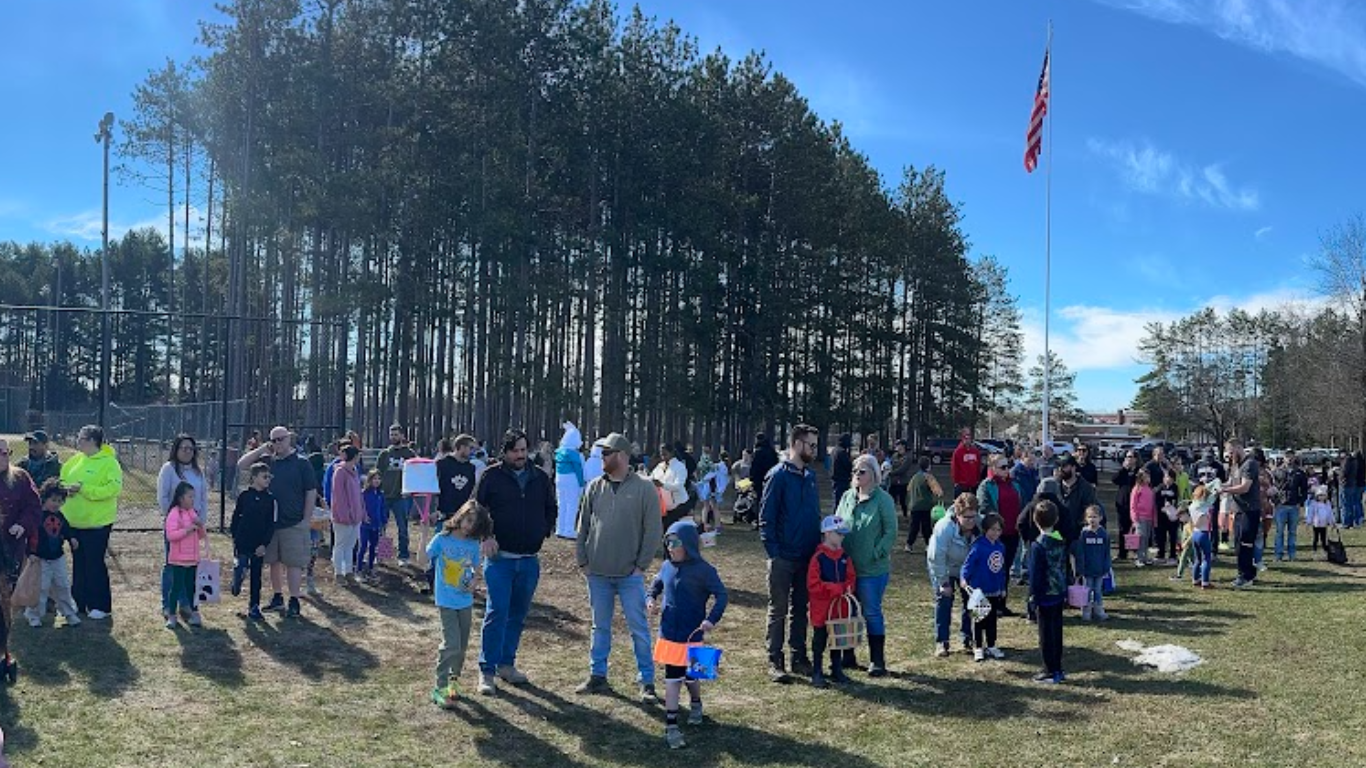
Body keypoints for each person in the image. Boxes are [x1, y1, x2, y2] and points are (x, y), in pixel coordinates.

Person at [574, 433, 664, 701]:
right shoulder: (594, 487)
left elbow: (653, 530)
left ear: (622, 456)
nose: (601, 457)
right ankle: (597, 676)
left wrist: (640, 566)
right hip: (597, 573)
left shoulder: (645, 488)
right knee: (599, 626)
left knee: (638, 628)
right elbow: (583, 526)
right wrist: (583, 561)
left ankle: (646, 681)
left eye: (606, 453)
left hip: (629, 575)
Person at [473, 428, 557, 695]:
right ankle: (486, 671)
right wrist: (485, 536)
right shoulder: (491, 476)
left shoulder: (539, 478)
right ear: (505, 452)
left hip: (529, 560)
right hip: (500, 560)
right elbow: (476, 508)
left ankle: (506, 665)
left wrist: (544, 529)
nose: (520, 455)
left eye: (523, 450)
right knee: (496, 612)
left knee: (518, 615)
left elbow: (550, 507)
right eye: (515, 451)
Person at [649, 520, 727, 751]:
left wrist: (710, 620)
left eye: (675, 543)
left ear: (690, 544)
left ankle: (696, 702)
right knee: (673, 678)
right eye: (668, 543)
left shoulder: (705, 571)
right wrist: (650, 599)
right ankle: (671, 726)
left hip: (693, 633)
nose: (671, 548)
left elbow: (721, 596)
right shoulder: (666, 566)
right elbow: (655, 585)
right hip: (670, 633)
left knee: (693, 675)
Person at [759, 424, 822, 683]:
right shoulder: (778, 476)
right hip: (783, 556)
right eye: (812, 445)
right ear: (797, 444)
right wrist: (774, 552)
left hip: (807, 555)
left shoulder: (810, 477)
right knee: (779, 609)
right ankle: (775, 659)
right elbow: (766, 517)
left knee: (801, 609)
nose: (815, 450)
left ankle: (799, 656)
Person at [237, 426, 318, 618]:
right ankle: (277, 597)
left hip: (294, 522)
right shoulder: (268, 461)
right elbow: (242, 464)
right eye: (273, 440)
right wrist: (261, 449)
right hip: (270, 524)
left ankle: (294, 600)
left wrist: (306, 519)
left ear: (289, 438)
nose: (277, 444)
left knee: (293, 563)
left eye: (281, 439)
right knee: (273, 561)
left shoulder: (301, 463)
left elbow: (311, 492)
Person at [428, 500, 493, 708]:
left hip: (465, 601)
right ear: (461, 516)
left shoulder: (473, 544)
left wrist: (474, 582)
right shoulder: (442, 539)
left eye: (474, 524)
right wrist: (422, 534)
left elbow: (475, 569)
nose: (469, 526)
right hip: (446, 600)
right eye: (468, 520)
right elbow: (423, 560)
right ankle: (439, 687)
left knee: (462, 647)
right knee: (451, 645)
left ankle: (453, 682)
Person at [837, 454, 897, 677]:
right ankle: (848, 655)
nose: (857, 475)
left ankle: (877, 661)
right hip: (846, 569)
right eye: (854, 471)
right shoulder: (847, 497)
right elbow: (837, 522)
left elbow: (891, 531)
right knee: (847, 612)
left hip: (872, 569)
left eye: (861, 471)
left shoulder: (883, 500)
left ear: (873, 473)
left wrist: (877, 552)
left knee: (871, 612)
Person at [59, 425, 122, 620]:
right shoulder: (74, 460)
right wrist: (65, 489)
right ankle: (78, 602)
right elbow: (62, 480)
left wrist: (85, 489)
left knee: (94, 563)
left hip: (97, 524)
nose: (78, 442)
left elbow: (112, 489)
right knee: (79, 563)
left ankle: (100, 605)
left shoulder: (110, 463)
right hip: (74, 523)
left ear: (93, 441)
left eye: (81, 438)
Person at [157, 434, 208, 606]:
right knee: (172, 564)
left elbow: (203, 497)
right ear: (176, 449)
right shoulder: (169, 469)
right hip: (176, 527)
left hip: (193, 527)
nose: (187, 452)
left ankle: (186, 603)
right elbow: (163, 497)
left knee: (190, 565)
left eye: (191, 449)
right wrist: (174, 517)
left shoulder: (198, 471)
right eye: (183, 448)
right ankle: (168, 604)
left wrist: (200, 520)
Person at [806, 515, 856, 688]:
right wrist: (835, 588)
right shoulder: (818, 558)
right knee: (819, 638)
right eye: (839, 533)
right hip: (821, 607)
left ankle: (836, 668)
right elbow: (813, 584)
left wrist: (847, 588)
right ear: (827, 534)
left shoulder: (845, 557)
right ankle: (817, 671)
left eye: (843, 534)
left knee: (838, 639)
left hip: (839, 608)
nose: (842, 537)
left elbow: (851, 577)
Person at [927, 493, 979, 657]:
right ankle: (942, 641)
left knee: (971, 599)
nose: (970, 521)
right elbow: (936, 557)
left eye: (973, 516)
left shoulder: (980, 524)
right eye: (966, 517)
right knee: (944, 600)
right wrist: (943, 582)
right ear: (957, 515)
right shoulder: (944, 528)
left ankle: (967, 637)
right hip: (945, 566)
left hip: (966, 567)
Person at [24, 480, 78, 628]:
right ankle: (33, 615)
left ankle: (69, 613)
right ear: (45, 498)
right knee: (41, 588)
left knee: (63, 585)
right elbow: (30, 537)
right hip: (40, 559)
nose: (56, 504)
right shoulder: (37, 516)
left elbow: (66, 529)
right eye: (53, 500)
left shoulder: (60, 516)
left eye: (60, 501)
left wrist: (71, 538)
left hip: (57, 557)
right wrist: (31, 553)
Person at [976, 453, 1023, 615]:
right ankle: (990, 604)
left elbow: (1021, 504)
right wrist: (996, 524)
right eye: (1003, 467)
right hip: (995, 534)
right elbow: (984, 507)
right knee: (993, 568)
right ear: (993, 468)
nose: (1006, 470)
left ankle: (1002, 603)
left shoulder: (1014, 485)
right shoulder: (986, 486)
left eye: (1007, 466)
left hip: (1012, 533)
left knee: (1006, 568)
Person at [230, 463, 276, 620]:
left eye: (269, 477)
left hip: (259, 545)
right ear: (254, 478)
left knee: (256, 575)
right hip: (243, 541)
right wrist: (235, 536)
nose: (267, 480)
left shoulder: (270, 499)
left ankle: (254, 606)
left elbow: (271, 524)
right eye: (264, 477)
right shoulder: (244, 496)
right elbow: (236, 518)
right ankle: (237, 579)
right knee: (242, 565)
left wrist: (264, 544)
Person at [1029, 500, 1068, 683]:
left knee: (1045, 634)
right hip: (1059, 592)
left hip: (1045, 596)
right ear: (1057, 519)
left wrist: (1033, 597)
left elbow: (1035, 574)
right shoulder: (1060, 540)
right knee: (1057, 631)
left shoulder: (1038, 546)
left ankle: (1049, 670)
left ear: (1035, 521)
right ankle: (1058, 668)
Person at [961, 512, 1008, 662]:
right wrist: (964, 579)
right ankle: (978, 647)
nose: (995, 533)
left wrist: (1002, 587)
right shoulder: (978, 546)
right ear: (985, 529)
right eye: (992, 529)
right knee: (979, 620)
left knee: (992, 619)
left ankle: (992, 644)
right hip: (979, 591)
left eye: (998, 530)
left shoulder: (1001, 547)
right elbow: (967, 565)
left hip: (994, 590)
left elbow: (1001, 569)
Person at [162, 481, 206, 629]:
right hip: (178, 559)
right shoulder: (174, 513)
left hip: (192, 559)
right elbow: (171, 535)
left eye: (194, 497)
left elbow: (200, 536)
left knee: (191, 587)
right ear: (181, 498)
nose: (193, 500)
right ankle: (172, 615)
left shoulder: (193, 513)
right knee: (176, 587)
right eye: (190, 497)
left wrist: (200, 526)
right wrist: (186, 530)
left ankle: (195, 613)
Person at [1219, 439, 1261, 588]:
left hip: (1249, 510)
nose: (1229, 456)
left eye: (1231, 452)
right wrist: (1216, 485)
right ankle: (1247, 572)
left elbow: (1244, 487)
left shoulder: (1249, 464)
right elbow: (1231, 482)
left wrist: (1225, 490)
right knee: (1237, 544)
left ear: (1238, 448)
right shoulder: (1235, 465)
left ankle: (1245, 576)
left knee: (1245, 544)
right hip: (1238, 509)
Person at [376, 424, 418, 565]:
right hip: (385, 495)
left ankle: (403, 556)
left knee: (402, 527)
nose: (393, 437)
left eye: (396, 434)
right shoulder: (384, 454)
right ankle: (383, 554)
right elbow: (377, 473)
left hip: (402, 496)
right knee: (383, 526)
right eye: (391, 434)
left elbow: (416, 472)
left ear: (402, 436)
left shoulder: (409, 454)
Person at [328, 445, 365, 585]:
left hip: (356, 517)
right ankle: (338, 573)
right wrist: (344, 515)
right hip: (342, 518)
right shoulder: (340, 473)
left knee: (350, 545)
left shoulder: (354, 471)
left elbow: (358, 495)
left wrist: (362, 512)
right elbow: (338, 497)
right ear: (354, 457)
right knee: (340, 545)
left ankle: (349, 572)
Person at [1073, 505, 1111, 621]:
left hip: (1099, 569)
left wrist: (1106, 566)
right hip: (1087, 569)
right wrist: (1080, 568)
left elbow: (1106, 552)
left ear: (1100, 518)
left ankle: (1099, 610)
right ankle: (1086, 611)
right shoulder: (1084, 534)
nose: (1092, 520)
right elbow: (1080, 552)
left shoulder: (1103, 534)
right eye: (1089, 517)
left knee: (1098, 590)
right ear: (1086, 518)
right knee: (1087, 590)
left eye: (1095, 517)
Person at [436, 435, 478, 528]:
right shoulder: (442, 464)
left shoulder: (471, 468)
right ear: (462, 447)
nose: (473, 452)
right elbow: (434, 488)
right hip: (444, 514)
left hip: (463, 514)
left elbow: (472, 490)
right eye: (470, 448)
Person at [554, 423, 586, 540]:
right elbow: (579, 470)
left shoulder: (559, 452)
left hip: (559, 480)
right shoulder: (574, 454)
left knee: (561, 504)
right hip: (572, 480)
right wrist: (582, 484)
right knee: (572, 504)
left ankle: (560, 528)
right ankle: (568, 529)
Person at [1274, 452, 1308, 562]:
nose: (1289, 459)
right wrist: (1275, 501)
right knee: (1279, 532)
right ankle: (1278, 554)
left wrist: (1300, 502)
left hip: (1294, 505)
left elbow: (1304, 489)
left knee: (1292, 532)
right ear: (1283, 458)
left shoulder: (1299, 472)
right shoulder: (1278, 471)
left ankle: (1292, 554)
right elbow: (1273, 487)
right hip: (1281, 505)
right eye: (1287, 456)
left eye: (1291, 456)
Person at [905, 457, 943, 554]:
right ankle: (929, 545)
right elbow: (938, 492)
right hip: (925, 506)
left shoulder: (914, 477)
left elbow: (908, 489)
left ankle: (909, 544)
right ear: (928, 466)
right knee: (926, 527)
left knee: (914, 526)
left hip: (913, 505)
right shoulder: (928, 477)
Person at [358, 470, 388, 578]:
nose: (377, 481)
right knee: (363, 546)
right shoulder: (363, 493)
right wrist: (363, 517)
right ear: (369, 480)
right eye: (374, 478)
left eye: (379, 479)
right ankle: (359, 569)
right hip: (365, 524)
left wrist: (384, 521)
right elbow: (361, 507)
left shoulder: (380, 494)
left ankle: (371, 568)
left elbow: (383, 509)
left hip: (376, 524)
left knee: (373, 547)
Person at [651, 444, 691, 527]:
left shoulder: (679, 466)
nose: (663, 457)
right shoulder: (659, 466)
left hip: (679, 505)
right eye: (661, 454)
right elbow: (651, 478)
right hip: (664, 506)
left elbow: (678, 486)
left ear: (672, 453)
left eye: (665, 454)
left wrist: (662, 484)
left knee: (672, 529)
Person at [1187, 483, 1215, 589]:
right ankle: (1205, 582)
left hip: (1195, 533)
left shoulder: (1192, 506)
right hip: (1203, 533)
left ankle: (1195, 579)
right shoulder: (1204, 508)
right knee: (1206, 558)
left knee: (1197, 558)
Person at [1112, 451, 1139, 560]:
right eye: (1127, 457)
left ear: (1135, 459)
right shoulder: (1122, 471)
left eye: (1130, 457)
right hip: (1122, 503)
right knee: (1122, 528)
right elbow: (1114, 480)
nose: (1128, 459)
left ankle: (1134, 551)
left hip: (1136, 503)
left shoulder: (1138, 471)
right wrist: (1123, 469)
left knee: (1134, 528)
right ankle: (1122, 553)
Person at [1130, 469, 1157, 567]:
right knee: (1140, 538)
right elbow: (1133, 504)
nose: (1147, 479)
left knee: (1146, 538)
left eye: (1148, 477)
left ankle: (1144, 557)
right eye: (1145, 477)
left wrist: (1154, 518)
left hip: (1149, 517)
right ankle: (1139, 558)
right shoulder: (1137, 488)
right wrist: (1134, 517)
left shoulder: (1149, 489)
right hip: (1140, 517)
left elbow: (1152, 504)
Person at [1155, 471, 1181, 564]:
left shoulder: (1175, 487)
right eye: (1166, 477)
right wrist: (1161, 505)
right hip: (1161, 516)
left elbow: (1175, 497)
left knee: (1173, 536)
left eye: (1170, 478)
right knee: (1161, 536)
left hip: (1172, 516)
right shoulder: (1159, 487)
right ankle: (1160, 554)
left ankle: (1173, 555)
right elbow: (1156, 499)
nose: (1167, 479)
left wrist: (1170, 503)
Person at [886, 439, 914, 518]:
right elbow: (890, 464)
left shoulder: (907, 457)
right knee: (891, 499)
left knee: (903, 500)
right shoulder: (894, 456)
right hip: (893, 482)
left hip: (902, 482)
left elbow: (903, 469)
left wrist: (891, 473)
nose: (897, 447)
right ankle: (890, 514)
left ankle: (905, 514)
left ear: (903, 446)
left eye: (898, 445)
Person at [749, 433, 780, 507]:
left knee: (760, 498)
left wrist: (752, 479)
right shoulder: (772, 452)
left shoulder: (758, 452)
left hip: (760, 479)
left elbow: (755, 467)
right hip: (772, 478)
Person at [950, 429, 982, 497]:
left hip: (973, 484)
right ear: (962, 438)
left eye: (969, 437)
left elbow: (978, 466)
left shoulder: (975, 451)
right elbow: (954, 468)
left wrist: (978, 479)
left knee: (973, 504)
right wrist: (956, 481)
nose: (967, 440)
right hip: (962, 484)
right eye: (966, 437)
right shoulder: (958, 452)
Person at [1306, 486, 1335, 557]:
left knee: (1323, 539)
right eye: (1320, 496)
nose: (1321, 497)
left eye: (1323, 496)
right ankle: (1314, 551)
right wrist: (1308, 521)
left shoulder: (1327, 503)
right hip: (1316, 524)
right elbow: (1310, 513)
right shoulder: (1314, 504)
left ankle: (1325, 552)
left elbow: (1330, 513)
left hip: (1324, 524)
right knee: (1316, 538)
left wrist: (1332, 522)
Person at [830, 434, 854, 506]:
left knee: (837, 501)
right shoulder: (842, 452)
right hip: (842, 480)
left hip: (835, 479)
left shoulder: (834, 450)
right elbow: (848, 466)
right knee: (841, 503)